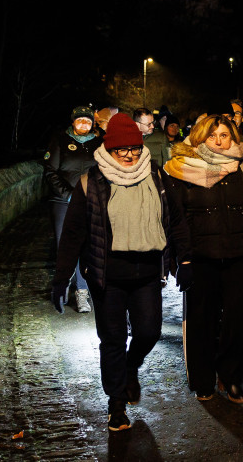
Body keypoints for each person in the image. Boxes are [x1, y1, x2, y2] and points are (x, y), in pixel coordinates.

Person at [51, 112, 190, 432]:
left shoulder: (156, 176)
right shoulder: (92, 181)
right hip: (107, 277)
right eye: (121, 149)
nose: (129, 154)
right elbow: (73, 233)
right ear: (109, 149)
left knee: (148, 332)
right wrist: (62, 278)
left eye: (134, 148)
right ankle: (116, 405)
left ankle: (131, 367)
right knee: (111, 339)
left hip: (146, 274)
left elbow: (176, 219)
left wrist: (185, 260)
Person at [163, 114, 243, 404]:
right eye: (213, 136)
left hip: (236, 252)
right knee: (201, 320)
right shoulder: (181, 169)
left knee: (237, 320)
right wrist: (178, 258)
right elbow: (176, 218)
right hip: (200, 255)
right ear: (200, 137)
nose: (219, 141)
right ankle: (202, 379)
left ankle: (231, 376)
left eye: (225, 135)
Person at [43, 105, 103, 313]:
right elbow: (50, 172)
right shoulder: (60, 140)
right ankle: (63, 285)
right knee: (66, 246)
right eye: (80, 121)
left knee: (89, 245)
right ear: (73, 122)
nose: (84, 124)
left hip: (90, 201)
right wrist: (68, 194)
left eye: (87, 121)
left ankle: (82, 292)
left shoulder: (98, 142)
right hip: (63, 202)